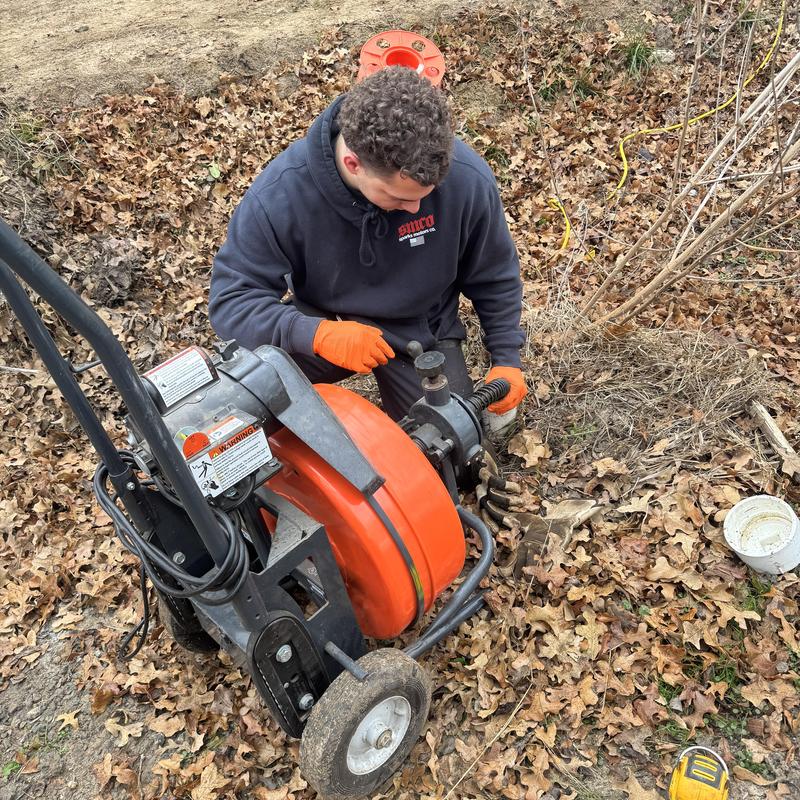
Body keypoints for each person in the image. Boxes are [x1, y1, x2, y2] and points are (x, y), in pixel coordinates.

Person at [209, 66, 527, 422]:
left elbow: (494, 273)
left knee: (448, 446)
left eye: (427, 195)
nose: (415, 208)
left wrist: (507, 359)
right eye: (398, 197)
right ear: (353, 164)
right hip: (328, 323)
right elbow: (231, 302)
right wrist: (317, 334)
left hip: (418, 328)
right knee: (239, 403)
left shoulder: (466, 178)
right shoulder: (281, 194)